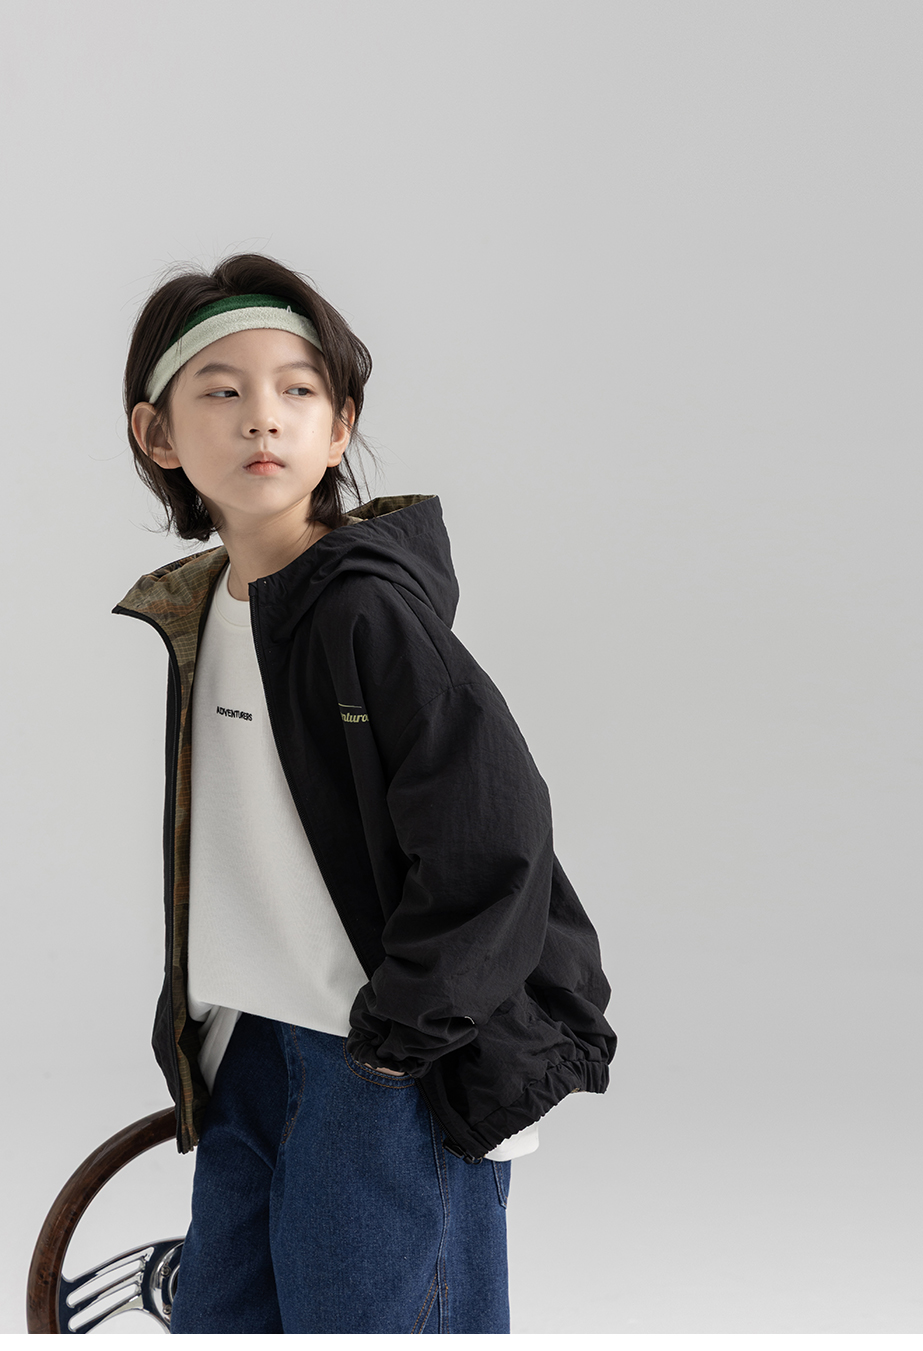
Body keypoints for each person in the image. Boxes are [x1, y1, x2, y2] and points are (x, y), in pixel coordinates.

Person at [113, 252, 616, 1334]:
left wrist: (401, 1034)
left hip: (377, 1059)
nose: (263, 417)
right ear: (159, 436)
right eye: (222, 391)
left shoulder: (364, 611)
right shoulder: (205, 609)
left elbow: (496, 831)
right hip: (248, 1040)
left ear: (339, 429)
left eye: (298, 390)